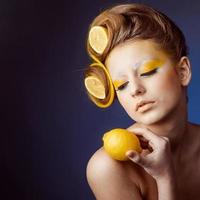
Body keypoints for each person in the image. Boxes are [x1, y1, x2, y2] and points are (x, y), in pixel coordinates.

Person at [84, 3, 200, 200]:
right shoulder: (108, 168)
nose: (135, 89)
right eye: (121, 85)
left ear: (183, 71)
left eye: (147, 72)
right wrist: (164, 177)